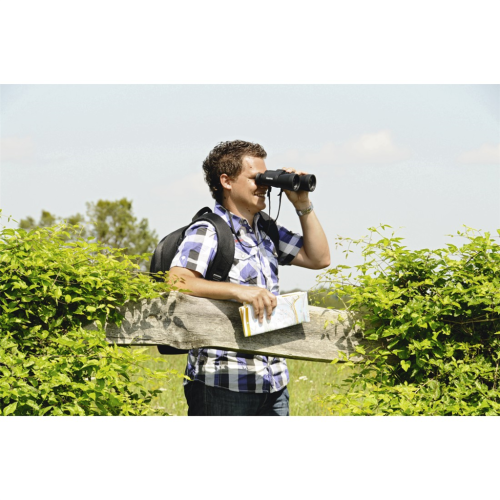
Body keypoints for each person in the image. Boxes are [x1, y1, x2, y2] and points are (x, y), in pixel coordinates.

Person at [169, 140, 330, 416]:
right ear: (226, 181)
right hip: (222, 382)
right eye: (256, 178)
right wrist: (238, 291)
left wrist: (303, 204)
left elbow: (319, 259)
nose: (264, 185)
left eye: (266, 178)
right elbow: (176, 280)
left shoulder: (266, 230)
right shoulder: (209, 231)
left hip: (273, 381)